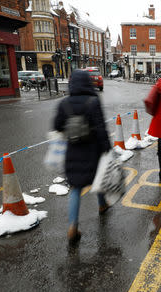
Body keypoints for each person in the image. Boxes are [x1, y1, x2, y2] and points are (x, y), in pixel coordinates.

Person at [53, 70, 111, 243]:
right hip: (92, 151)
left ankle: (72, 226)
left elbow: (57, 126)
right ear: (87, 83)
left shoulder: (64, 103)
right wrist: (107, 148)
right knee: (98, 180)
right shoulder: (93, 102)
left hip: (72, 151)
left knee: (75, 188)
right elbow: (101, 129)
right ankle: (102, 205)